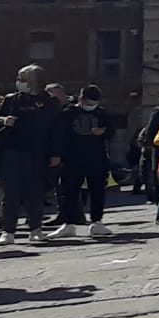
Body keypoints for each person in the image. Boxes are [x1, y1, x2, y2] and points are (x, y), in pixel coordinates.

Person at [0, 64, 62, 245]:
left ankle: (35, 229)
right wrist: (3, 120)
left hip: (38, 152)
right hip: (13, 151)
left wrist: (56, 153)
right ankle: (8, 231)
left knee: (35, 193)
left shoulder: (50, 102)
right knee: (11, 193)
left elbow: (56, 130)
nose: (19, 82)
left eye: (22, 79)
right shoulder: (12, 99)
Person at [51, 84, 117, 237]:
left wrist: (103, 131)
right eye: (88, 103)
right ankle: (68, 223)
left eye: (94, 103)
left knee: (98, 190)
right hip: (73, 158)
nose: (91, 106)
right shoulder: (68, 113)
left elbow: (111, 131)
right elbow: (59, 135)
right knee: (70, 191)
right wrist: (57, 154)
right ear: (81, 99)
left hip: (97, 157)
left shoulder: (102, 113)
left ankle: (97, 221)